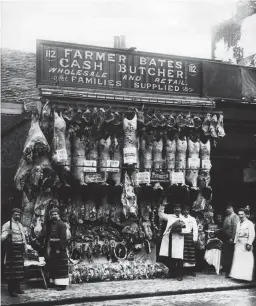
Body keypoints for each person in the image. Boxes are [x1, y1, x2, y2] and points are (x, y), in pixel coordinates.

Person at [1, 208, 27, 297]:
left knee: (19, 270)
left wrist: (25, 247)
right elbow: (2, 238)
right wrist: (8, 233)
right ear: (12, 214)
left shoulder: (20, 225)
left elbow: (23, 237)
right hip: (12, 249)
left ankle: (18, 289)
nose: (17, 216)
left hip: (19, 249)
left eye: (19, 215)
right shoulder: (7, 225)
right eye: (15, 214)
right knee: (12, 271)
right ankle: (11, 291)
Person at [158, 200, 186, 281]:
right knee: (170, 257)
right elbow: (161, 215)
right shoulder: (170, 216)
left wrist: (180, 231)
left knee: (179, 258)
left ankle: (180, 275)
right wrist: (163, 205)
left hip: (179, 239)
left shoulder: (183, 218)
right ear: (174, 209)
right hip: (169, 239)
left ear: (181, 210)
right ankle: (173, 273)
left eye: (179, 208)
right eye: (176, 208)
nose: (177, 210)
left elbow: (188, 229)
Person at [45, 207, 69, 290]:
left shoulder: (62, 224)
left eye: (55, 214)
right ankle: (54, 282)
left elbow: (63, 239)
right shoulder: (52, 224)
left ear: (58, 215)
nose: (53, 215)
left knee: (60, 266)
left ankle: (62, 285)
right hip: (53, 248)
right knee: (54, 265)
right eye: (52, 214)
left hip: (59, 249)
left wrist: (60, 248)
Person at [229, 208, 255, 281]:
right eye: (239, 214)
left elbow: (252, 234)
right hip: (238, 244)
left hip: (245, 243)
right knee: (238, 260)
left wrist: (249, 243)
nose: (240, 216)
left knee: (246, 260)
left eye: (242, 214)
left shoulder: (249, 223)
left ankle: (245, 277)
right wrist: (235, 242)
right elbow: (237, 234)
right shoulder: (238, 223)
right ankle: (238, 276)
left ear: (245, 215)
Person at [222, 205, 239, 278]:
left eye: (228, 209)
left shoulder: (234, 216)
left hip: (230, 238)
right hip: (226, 238)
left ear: (232, 209)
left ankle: (230, 272)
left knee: (230, 256)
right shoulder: (227, 216)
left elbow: (235, 228)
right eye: (226, 208)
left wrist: (233, 238)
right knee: (227, 255)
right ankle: (227, 271)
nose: (227, 210)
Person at [182, 206, 198, 276]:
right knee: (184, 254)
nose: (186, 212)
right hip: (182, 237)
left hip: (190, 237)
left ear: (189, 211)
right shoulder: (180, 218)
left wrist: (195, 239)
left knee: (191, 254)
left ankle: (192, 270)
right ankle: (184, 270)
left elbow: (195, 229)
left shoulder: (192, 219)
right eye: (184, 210)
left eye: (187, 210)